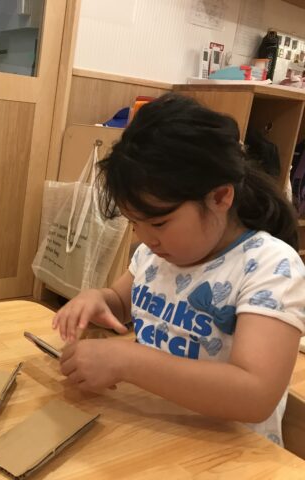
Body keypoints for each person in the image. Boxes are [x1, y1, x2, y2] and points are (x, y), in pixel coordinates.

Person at [53, 93, 304, 446]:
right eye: (134, 223)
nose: (145, 238)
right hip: (160, 430)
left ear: (220, 197)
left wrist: (128, 361)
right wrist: (97, 300)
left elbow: (256, 394)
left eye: (159, 222)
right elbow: (121, 304)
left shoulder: (270, 267)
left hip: (228, 451)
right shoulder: (157, 254)